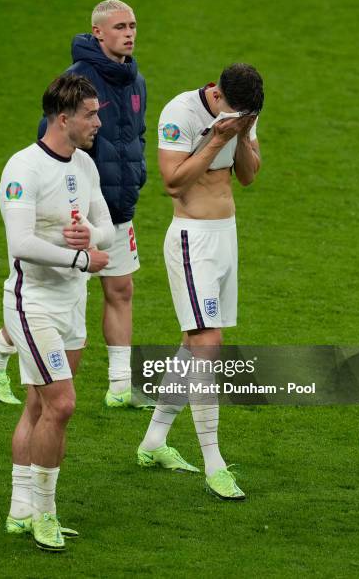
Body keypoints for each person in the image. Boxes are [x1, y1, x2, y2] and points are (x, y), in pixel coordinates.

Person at [0, 0, 147, 408]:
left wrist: (135, 176)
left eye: (133, 25)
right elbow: (53, 145)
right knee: (47, 294)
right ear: (98, 32)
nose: (130, 33)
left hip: (116, 205)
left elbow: (136, 134)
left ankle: (121, 384)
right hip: (78, 209)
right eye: (120, 26)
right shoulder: (77, 83)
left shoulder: (135, 79)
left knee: (121, 287)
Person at [136, 63, 264, 500]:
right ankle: (214, 462)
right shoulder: (181, 113)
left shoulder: (245, 111)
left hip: (227, 236)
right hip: (192, 241)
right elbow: (172, 182)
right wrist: (218, 139)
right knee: (208, 341)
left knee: (193, 345)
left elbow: (247, 176)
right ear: (218, 93)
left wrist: (243, 135)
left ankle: (154, 441)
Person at [0, 73, 114, 552]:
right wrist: (82, 258)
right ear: (63, 119)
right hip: (32, 305)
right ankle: (45, 512)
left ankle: (19, 507)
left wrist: (90, 236)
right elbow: (20, 243)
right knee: (62, 404)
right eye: (90, 114)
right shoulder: (22, 169)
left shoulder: (84, 165)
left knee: (40, 405)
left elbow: (105, 225)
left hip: (72, 304)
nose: (98, 123)